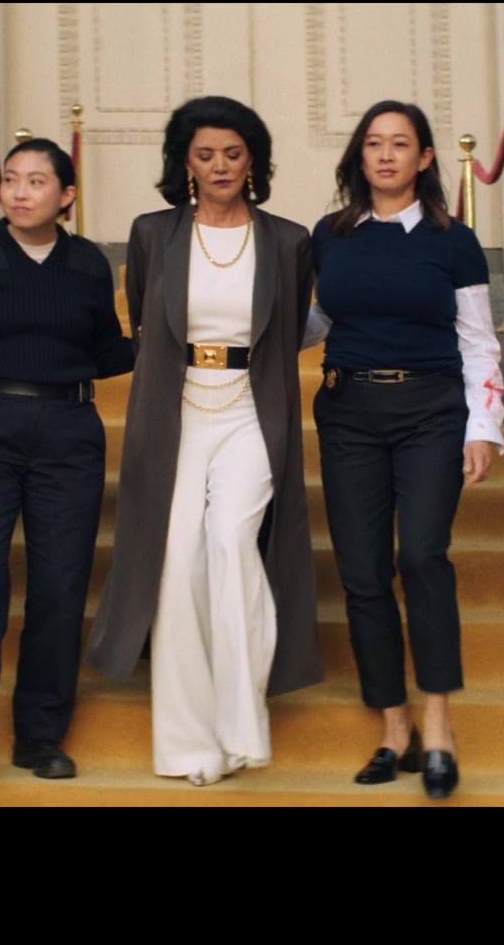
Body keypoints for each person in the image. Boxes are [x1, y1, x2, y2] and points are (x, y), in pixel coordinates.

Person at [84, 96, 322, 787]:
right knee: (178, 560)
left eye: (233, 153)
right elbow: (145, 326)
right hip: (176, 411)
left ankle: (240, 722)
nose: (220, 166)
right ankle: (190, 746)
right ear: (184, 162)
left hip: (251, 411)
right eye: (205, 154)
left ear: (253, 161)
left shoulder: (288, 240)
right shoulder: (152, 232)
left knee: (229, 543)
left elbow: (288, 330)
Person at [304, 100, 504, 800]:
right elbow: (320, 318)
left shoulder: (454, 240)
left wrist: (484, 426)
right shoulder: (330, 235)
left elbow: (478, 341)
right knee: (362, 571)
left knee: (421, 555)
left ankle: (439, 723)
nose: (385, 155)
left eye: (400, 144)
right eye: (373, 143)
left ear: (424, 158)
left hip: (431, 413)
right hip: (348, 412)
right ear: (359, 157)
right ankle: (395, 727)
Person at [0, 137, 135, 780]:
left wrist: (169, 335)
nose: (19, 191)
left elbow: (105, 352)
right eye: (11, 179)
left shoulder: (87, 263)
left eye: (37, 181)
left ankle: (41, 735)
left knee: (60, 586)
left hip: (69, 434)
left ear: (66, 196)